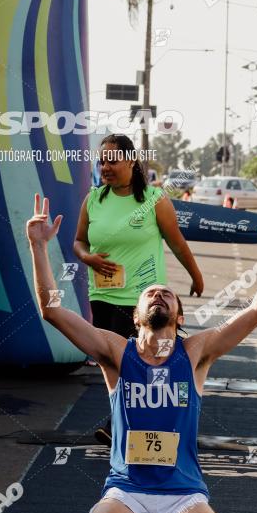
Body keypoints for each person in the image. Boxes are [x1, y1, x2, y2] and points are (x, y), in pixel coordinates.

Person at [28, 194, 257, 513]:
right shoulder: (115, 352)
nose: (158, 294)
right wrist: (38, 246)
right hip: (128, 492)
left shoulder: (196, 352)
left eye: (167, 294)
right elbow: (52, 310)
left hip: (182, 495)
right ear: (137, 316)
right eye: (150, 294)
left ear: (178, 314)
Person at [74, 134, 204, 445]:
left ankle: (120, 424)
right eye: (102, 161)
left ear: (131, 161)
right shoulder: (93, 199)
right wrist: (86, 257)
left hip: (142, 300)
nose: (105, 167)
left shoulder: (153, 200)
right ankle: (126, 424)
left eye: (112, 160)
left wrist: (196, 277)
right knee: (112, 364)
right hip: (102, 296)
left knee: (137, 363)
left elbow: (177, 243)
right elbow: (79, 241)